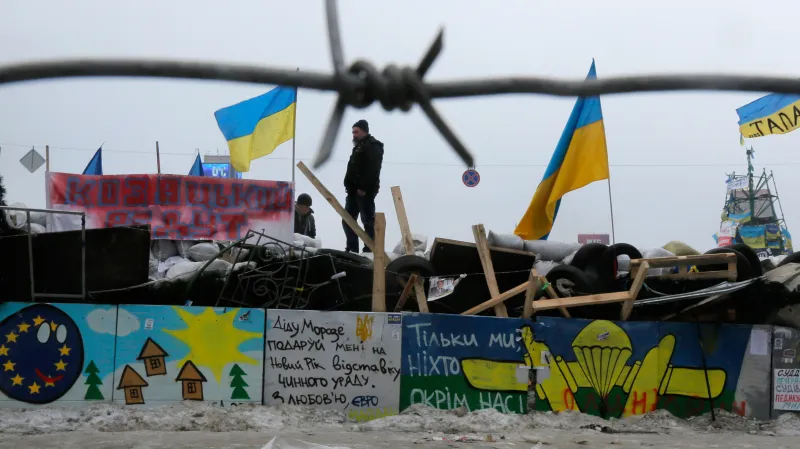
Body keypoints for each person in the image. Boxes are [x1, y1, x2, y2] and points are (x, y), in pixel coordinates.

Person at [343, 119, 384, 253]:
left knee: (367, 220)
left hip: (364, 192)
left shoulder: (373, 146)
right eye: (352, 132)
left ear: (364, 131)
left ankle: (370, 249)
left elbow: (373, 169)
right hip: (353, 191)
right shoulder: (359, 147)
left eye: (356, 132)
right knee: (348, 220)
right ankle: (352, 248)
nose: (353, 134)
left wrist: (364, 188)